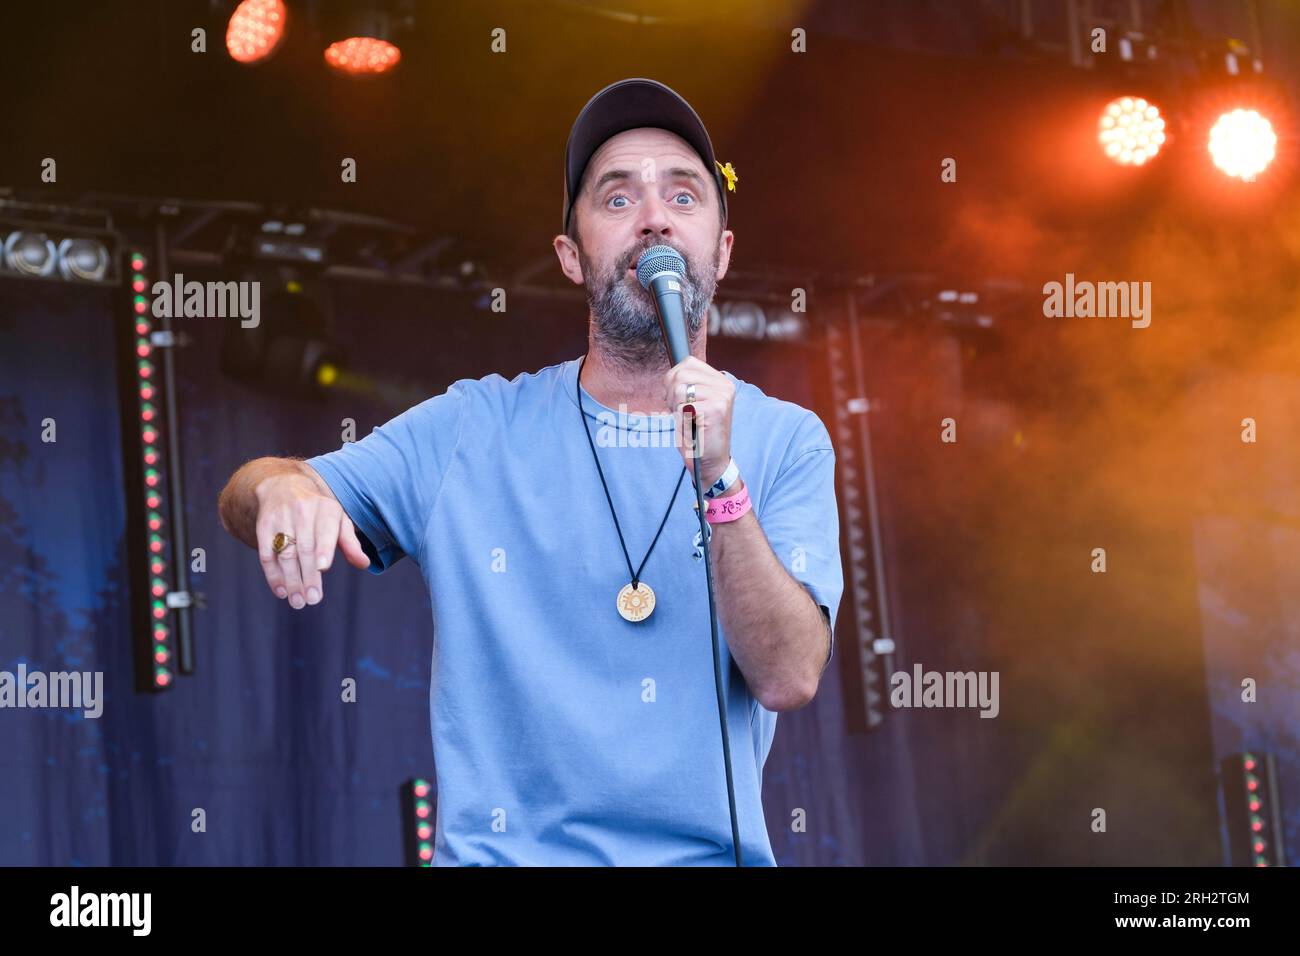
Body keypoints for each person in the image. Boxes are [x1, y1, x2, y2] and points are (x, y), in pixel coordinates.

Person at [217, 78, 844, 866]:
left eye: (683, 196)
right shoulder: (473, 427)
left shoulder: (785, 440)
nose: (653, 216)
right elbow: (256, 489)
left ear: (720, 251)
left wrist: (719, 477)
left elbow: (789, 676)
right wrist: (281, 488)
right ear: (571, 256)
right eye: (617, 200)